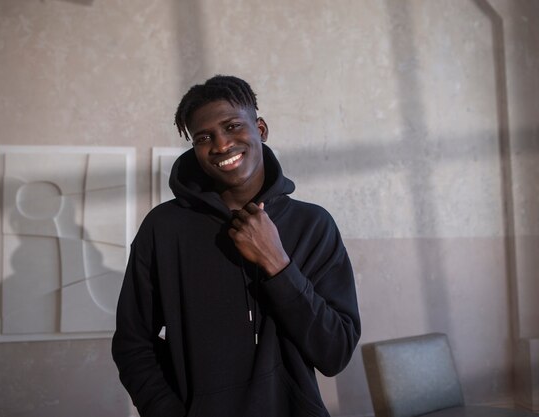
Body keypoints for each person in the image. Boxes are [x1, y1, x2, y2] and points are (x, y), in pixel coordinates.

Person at [112, 75, 361, 417]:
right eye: (204, 137)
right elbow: (132, 342)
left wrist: (278, 264)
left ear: (260, 129)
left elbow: (335, 352)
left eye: (232, 126)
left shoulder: (313, 226)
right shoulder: (164, 228)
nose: (221, 144)